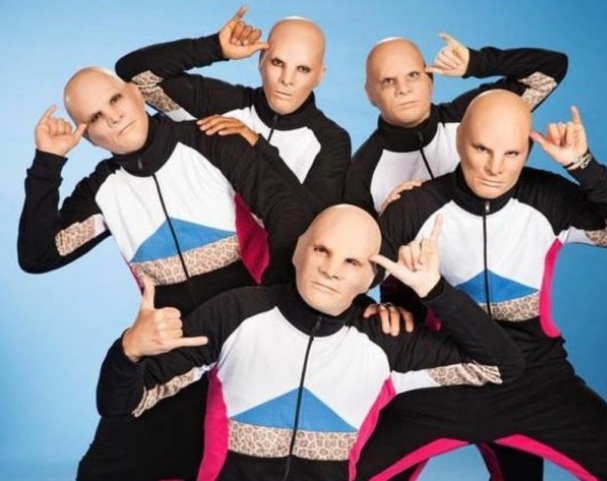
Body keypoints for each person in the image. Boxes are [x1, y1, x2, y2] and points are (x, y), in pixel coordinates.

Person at [17, 67, 313, 481]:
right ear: (88, 137)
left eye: (115, 100)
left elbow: (288, 213)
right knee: (104, 467)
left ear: (136, 94)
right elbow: (38, 254)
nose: (113, 117)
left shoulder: (210, 140)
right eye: (96, 117)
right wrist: (48, 162)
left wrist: (276, 305)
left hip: (250, 328)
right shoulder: (102, 191)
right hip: (172, 344)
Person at [355, 90, 607, 481]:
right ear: (460, 141)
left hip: (535, 378)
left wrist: (583, 165)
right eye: (482, 149)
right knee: (348, 471)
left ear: (526, 152)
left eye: (511, 154)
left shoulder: (549, 198)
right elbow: (347, 274)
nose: (495, 168)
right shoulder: (416, 206)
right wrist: (370, 306)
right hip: (442, 371)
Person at [95, 204, 525, 481]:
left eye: (351, 261)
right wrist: (129, 350)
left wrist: (434, 291)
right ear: (300, 250)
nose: (331, 270)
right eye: (322, 250)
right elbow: (120, 405)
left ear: (370, 278)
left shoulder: (386, 340)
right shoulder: (235, 312)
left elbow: (503, 365)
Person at [115, 6, 351, 282]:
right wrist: (214, 47)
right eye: (277, 63)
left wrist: (255, 145)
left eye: (303, 69)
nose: (287, 80)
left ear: (320, 75)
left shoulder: (330, 140)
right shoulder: (223, 104)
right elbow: (135, 75)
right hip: (204, 273)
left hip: (276, 284)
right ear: (260, 60)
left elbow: (318, 228)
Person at [344, 34, 568, 216]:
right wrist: (385, 220)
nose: (403, 89)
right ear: (370, 94)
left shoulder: (472, 115)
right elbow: (353, 251)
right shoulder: (362, 172)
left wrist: (476, 62)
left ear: (430, 79)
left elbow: (550, 70)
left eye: (413, 75)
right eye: (388, 81)